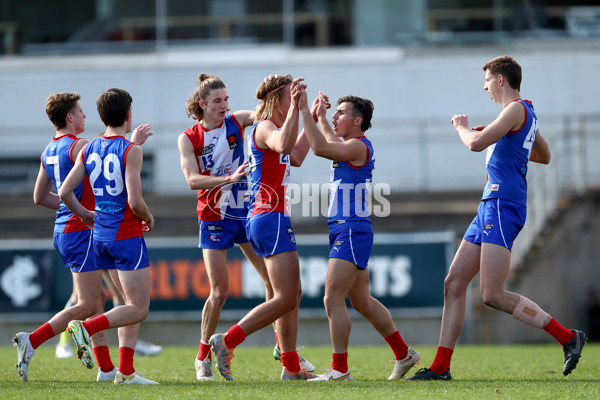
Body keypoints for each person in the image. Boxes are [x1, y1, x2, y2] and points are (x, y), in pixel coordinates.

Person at [408, 55, 587, 380]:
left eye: (487, 81)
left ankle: (568, 337)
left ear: (501, 80)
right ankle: (440, 367)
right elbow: (543, 155)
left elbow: (475, 144)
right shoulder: (522, 114)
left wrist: (462, 128)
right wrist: (507, 138)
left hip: (503, 204)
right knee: (454, 283)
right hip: (491, 204)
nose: (486, 87)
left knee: (491, 294)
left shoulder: (516, 109)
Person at [178, 73, 314, 380]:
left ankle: (285, 351)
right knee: (220, 291)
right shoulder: (189, 137)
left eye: (227, 99)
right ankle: (204, 354)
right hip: (215, 214)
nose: (225, 105)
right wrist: (228, 178)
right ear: (203, 105)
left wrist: (302, 110)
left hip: (245, 211)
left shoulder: (238, 121)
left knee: (277, 288)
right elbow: (191, 180)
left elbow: (267, 118)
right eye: (218, 101)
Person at [13, 92, 150, 382]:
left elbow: (40, 197)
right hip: (86, 230)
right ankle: (35, 341)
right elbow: (112, 166)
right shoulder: (81, 146)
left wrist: (72, 209)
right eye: (80, 111)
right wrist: (85, 212)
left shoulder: (48, 150)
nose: (85, 116)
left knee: (97, 301)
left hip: (64, 231)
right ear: (70, 117)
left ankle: (107, 369)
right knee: (103, 304)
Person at [294, 89, 420, 381]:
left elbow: (320, 148)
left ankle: (340, 369)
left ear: (357, 121)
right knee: (362, 301)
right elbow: (326, 139)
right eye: (335, 112)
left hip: (351, 229)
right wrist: (321, 117)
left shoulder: (358, 146)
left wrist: (304, 111)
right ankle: (404, 354)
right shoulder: (350, 144)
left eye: (341, 113)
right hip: (345, 228)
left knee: (331, 299)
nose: (336, 117)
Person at [59, 88, 158, 385]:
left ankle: (125, 373)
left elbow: (64, 192)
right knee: (137, 308)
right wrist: (149, 218)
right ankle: (86, 330)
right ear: (128, 115)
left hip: (99, 235)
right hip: (126, 236)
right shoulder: (132, 151)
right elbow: (135, 202)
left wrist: (84, 214)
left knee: (123, 305)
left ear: (102, 116)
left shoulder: (89, 148)